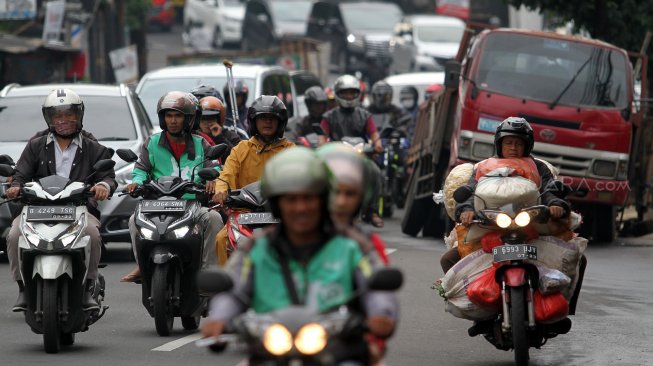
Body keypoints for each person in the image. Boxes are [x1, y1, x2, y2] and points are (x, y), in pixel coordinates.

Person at [201, 148, 398, 364]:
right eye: (291, 200)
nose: (300, 208)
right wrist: (219, 318)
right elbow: (234, 291)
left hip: (339, 351)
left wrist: (381, 314)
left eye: (308, 199)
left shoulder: (352, 246)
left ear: (323, 201)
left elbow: (375, 288)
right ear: (277, 204)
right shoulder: (256, 248)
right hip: (270, 350)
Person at [6, 88, 116, 312]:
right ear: (50, 119)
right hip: (37, 209)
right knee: (14, 235)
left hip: (78, 209)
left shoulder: (93, 147)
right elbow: (20, 174)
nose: (64, 121)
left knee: (93, 235)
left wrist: (103, 186)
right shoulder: (36, 145)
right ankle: (23, 289)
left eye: (69, 115)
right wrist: (15, 188)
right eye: (58, 116)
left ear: (79, 116)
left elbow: (108, 177)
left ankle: (87, 287)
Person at [440, 117, 570, 273]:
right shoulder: (483, 167)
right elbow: (471, 190)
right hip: (488, 225)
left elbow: (549, 189)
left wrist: (555, 204)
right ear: (499, 144)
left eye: (519, 143)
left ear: (527, 146)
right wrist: (467, 209)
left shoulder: (538, 167)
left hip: (531, 225)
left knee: (575, 260)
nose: (513, 148)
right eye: (508, 143)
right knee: (448, 260)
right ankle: (466, 297)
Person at [120, 91, 224, 282]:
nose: (173, 121)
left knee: (214, 218)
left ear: (189, 119)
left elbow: (215, 167)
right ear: (162, 118)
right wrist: (136, 183)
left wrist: (213, 180)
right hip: (157, 206)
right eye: (169, 116)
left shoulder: (201, 144)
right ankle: (142, 265)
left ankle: (209, 272)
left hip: (192, 206)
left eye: (178, 116)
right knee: (134, 219)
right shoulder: (152, 143)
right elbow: (141, 169)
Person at [212, 95, 295, 265]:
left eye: (272, 118)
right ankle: (225, 288)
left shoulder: (290, 150)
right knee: (221, 239)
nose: (268, 122)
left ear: (280, 122)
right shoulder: (240, 149)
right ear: (253, 121)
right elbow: (226, 175)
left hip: (281, 212)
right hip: (244, 212)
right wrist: (220, 189)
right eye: (263, 118)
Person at [318, 74, 385, 228]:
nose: (348, 96)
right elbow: (322, 137)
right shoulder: (328, 116)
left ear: (357, 94)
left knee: (375, 171)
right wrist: (322, 146)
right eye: (344, 93)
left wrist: (378, 144)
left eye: (351, 93)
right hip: (336, 157)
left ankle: (372, 211)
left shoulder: (365, 115)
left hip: (360, 156)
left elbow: (374, 135)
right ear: (338, 94)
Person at [316, 143, 389, 265]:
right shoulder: (281, 242)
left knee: (374, 170)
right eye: (334, 192)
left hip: (355, 152)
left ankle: (372, 211)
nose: (341, 202)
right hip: (333, 152)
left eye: (350, 194)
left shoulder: (368, 243)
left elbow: (376, 276)